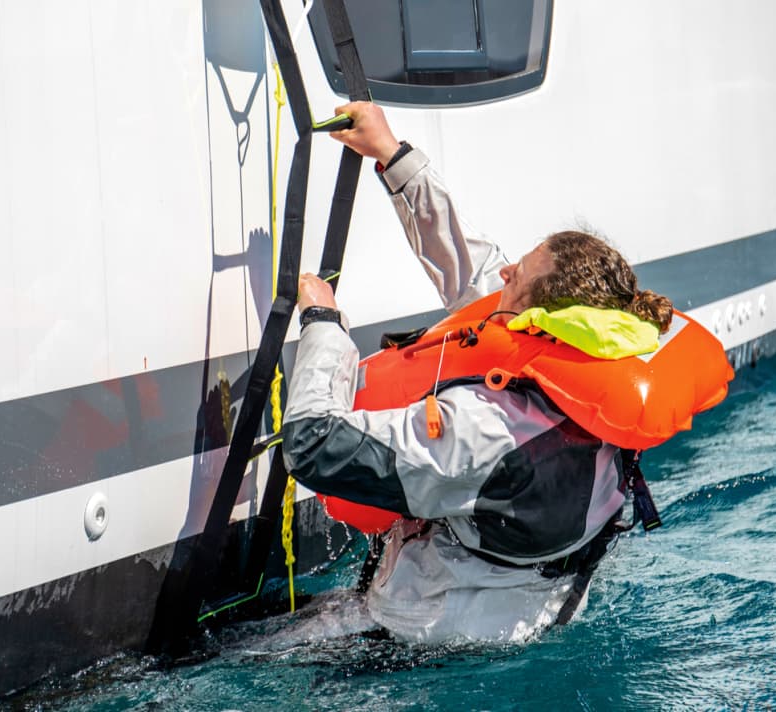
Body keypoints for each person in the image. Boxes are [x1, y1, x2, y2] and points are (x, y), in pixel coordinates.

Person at [282, 102, 674, 644]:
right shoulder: (595, 378)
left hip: (435, 641)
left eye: (520, 275)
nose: (506, 270)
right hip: (537, 606)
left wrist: (323, 324)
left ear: (539, 318)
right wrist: (392, 154)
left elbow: (313, 444)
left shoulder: (487, 430)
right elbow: (478, 272)